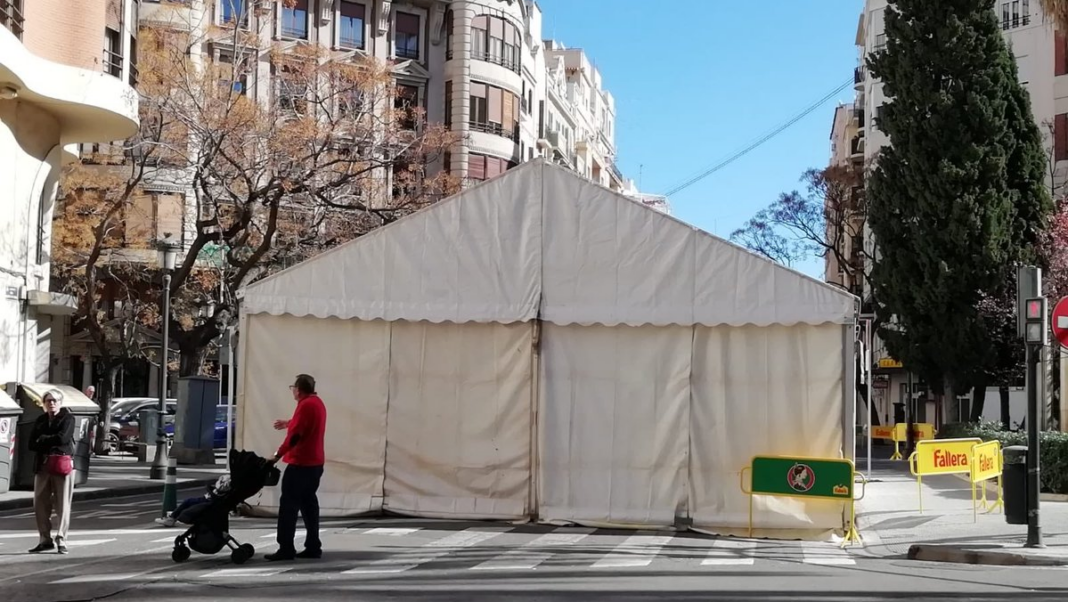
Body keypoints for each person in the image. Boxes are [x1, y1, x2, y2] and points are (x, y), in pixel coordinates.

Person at [265, 374, 327, 561]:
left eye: (293, 387)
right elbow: (306, 424)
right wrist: (288, 423)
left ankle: (286, 547)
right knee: (309, 505)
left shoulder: (305, 405)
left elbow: (295, 436)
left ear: (298, 390)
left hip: (301, 463)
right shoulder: (317, 403)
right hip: (316, 463)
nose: (292, 390)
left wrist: (277, 455)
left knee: (289, 506)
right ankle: (313, 546)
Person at [27, 389, 76, 554]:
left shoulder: (68, 418)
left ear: (60, 402)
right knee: (40, 503)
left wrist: (43, 439)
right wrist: (50, 440)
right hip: (42, 465)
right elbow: (31, 444)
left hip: (61, 465)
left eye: (55, 400)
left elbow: (63, 438)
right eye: (48, 401)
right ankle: (44, 539)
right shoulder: (41, 420)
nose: (51, 403)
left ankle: (61, 538)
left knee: (62, 503)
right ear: (44, 403)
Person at [155, 475, 232, 527]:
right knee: (189, 503)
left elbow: (218, 490)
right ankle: (173, 516)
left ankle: (172, 518)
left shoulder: (224, 487)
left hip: (207, 501)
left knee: (188, 502)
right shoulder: (228, 489)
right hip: (209, 500)